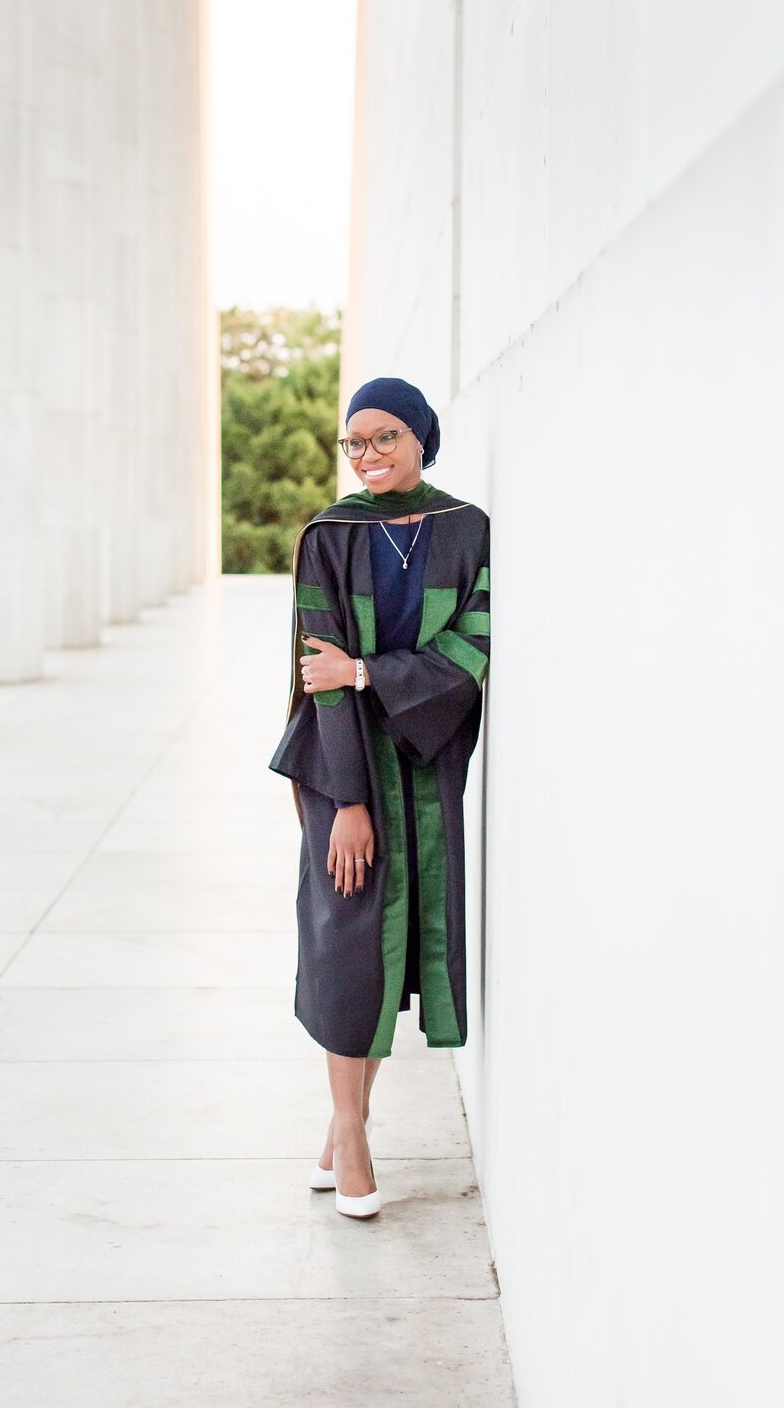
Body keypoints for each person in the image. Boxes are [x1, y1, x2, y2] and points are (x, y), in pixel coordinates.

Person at [269, 376, 491, 1219]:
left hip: (424, 757)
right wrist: (349, 799)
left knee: (394, 952)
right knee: (346, 946)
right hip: (343, 764)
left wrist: (365, 671)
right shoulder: (329, 534)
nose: (366, 454)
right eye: (353, 441)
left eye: (384, 436)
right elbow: (316, 674)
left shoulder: (464, 528)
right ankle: (354, 1133)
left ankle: (341, 1123)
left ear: (422, 436)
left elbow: (471, 648)